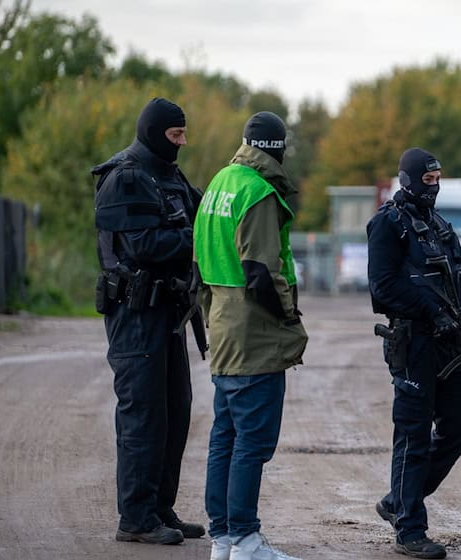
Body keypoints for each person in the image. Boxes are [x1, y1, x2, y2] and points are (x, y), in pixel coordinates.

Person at [366, 147, 461, 559]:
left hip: (452, 344)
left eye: (438, 179)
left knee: (460, 429)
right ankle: (410, 529)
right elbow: (383, 287)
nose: (435, 186)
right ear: (407, 180)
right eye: (427, 180)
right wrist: (430, 312)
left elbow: (456, 291)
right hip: (415, 343)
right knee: (413, 435)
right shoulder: (388, 225)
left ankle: (398, 501)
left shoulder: (439, 225)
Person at [193, 111, 308, 560]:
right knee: (253, 441)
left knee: (225, 434)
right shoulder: (259, 192)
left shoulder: (219, 184)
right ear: (278, 150)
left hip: (222, 323)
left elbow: (198, 265)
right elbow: (261, 270)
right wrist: (289, 319)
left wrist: (209, 313)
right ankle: (245, 538)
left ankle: (221, 538)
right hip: (253, 333)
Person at [92, 97, 205, 545]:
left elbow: (199, 216)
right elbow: (143, 245)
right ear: (155, 132)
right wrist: (193, 240)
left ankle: (159, 508)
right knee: (143, 416)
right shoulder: (124, 177)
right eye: (174, 135)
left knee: (176, 412)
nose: (179, 143)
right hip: (135, 313)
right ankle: (135, 518)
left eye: (182, 135)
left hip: (169, 312)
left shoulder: (170, 176)